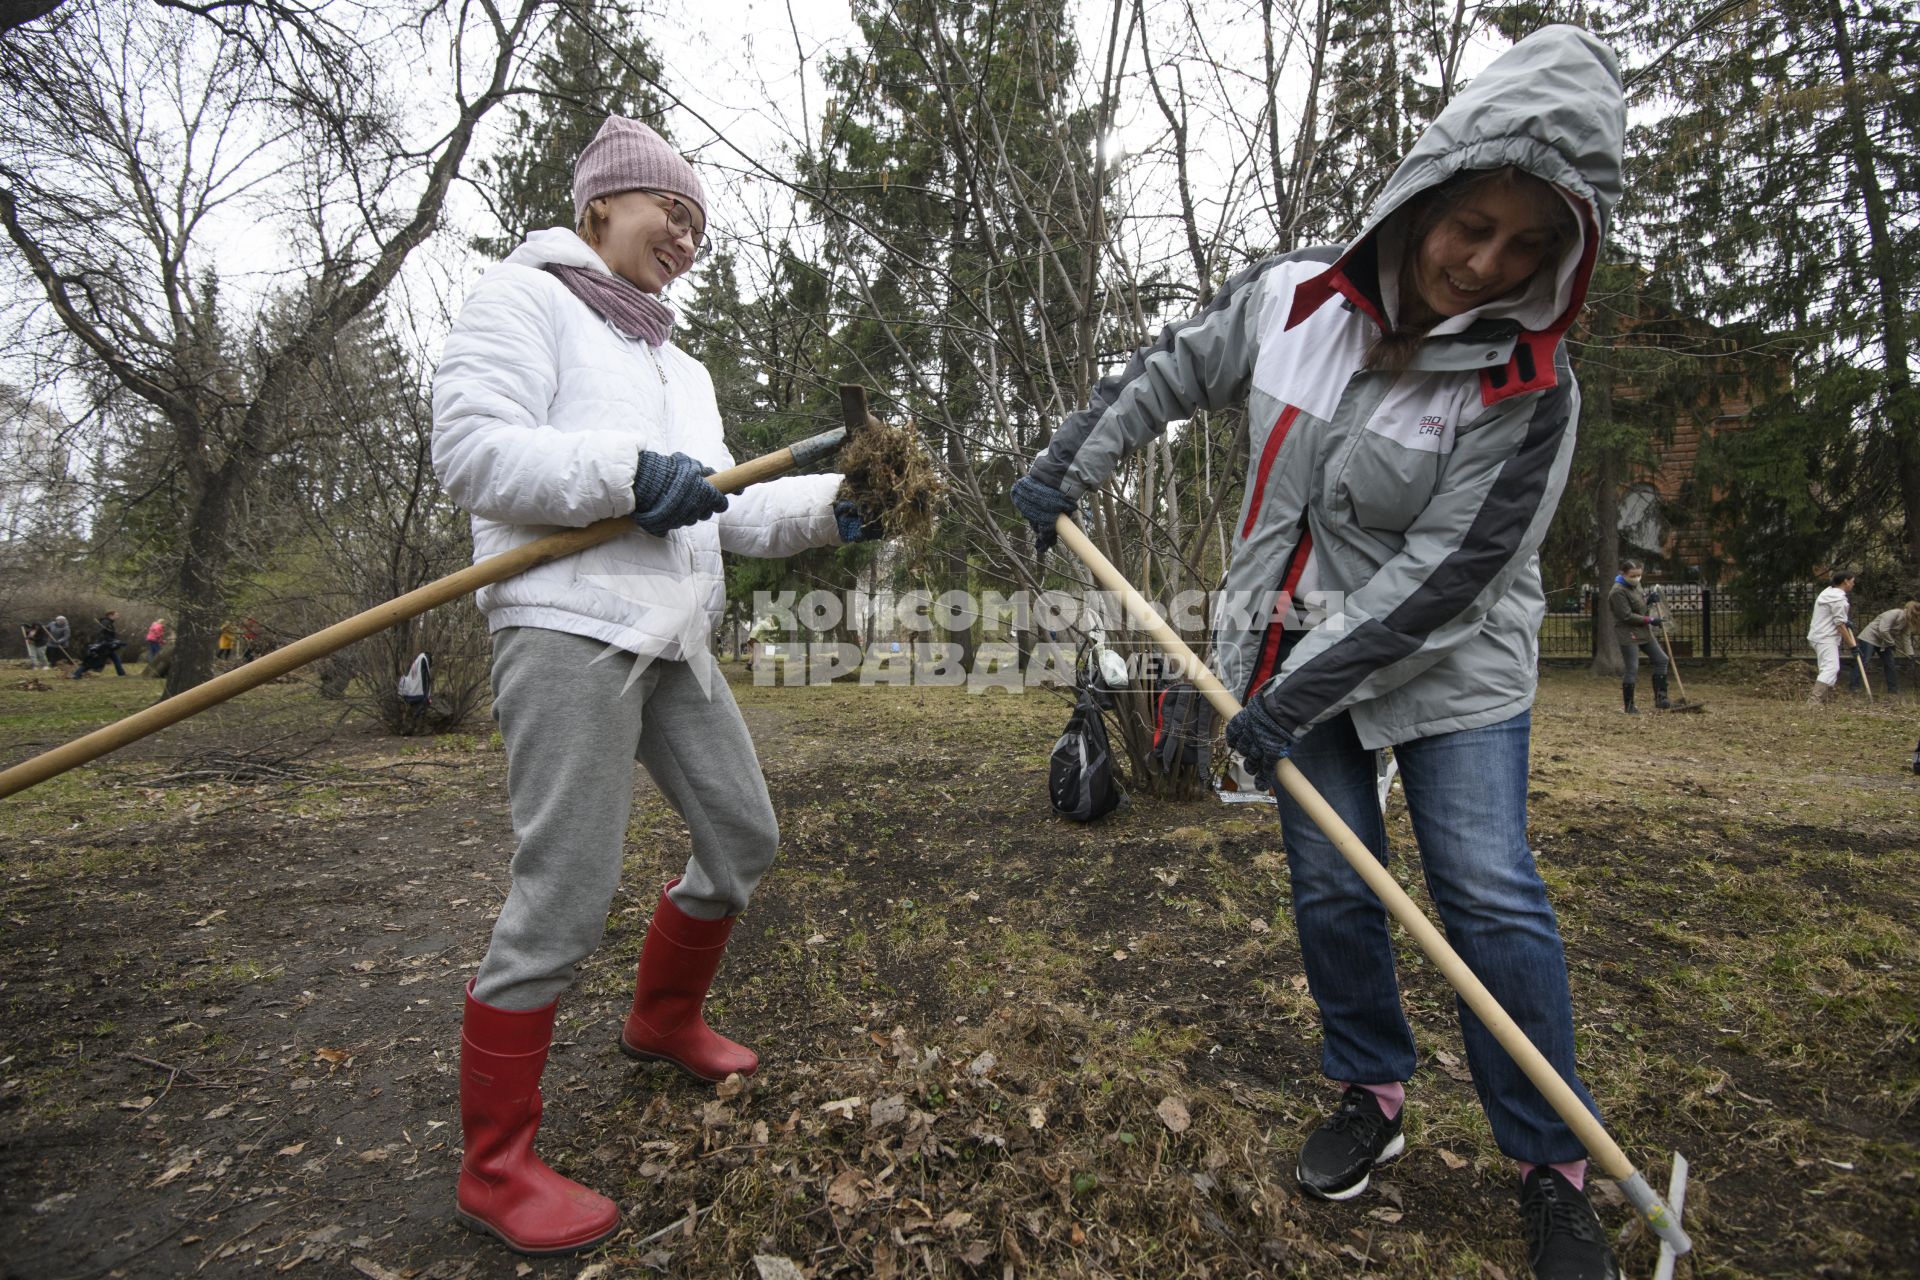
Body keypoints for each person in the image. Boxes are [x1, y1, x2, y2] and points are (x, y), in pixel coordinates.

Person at [1012, 27, 1624, 1279]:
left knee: (1484, 888)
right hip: (1289, 657)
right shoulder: (1295, 299)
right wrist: (1080, 453)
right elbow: (1175, 367)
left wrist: (1301, 689)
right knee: (1335, 882)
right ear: (1429, 192)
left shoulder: (1528, 385)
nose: (1487, 263)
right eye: (1475, 225)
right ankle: (1371, 1090)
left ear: (1561, 260)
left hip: (1449, 660)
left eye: (1528, 246)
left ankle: (1552, 1166)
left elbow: (1449, 575)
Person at [432, 115, 885, 1257]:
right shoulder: (524, 299)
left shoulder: (681, 365)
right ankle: (495, 1165)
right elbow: (475, 450)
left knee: (742, 834)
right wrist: (626, 475)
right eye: (664, 212)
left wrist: (838, 505)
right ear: (599, 210)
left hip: (675, 634)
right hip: (565, 626)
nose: (682, 236)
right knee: (566, 890)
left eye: (696, 224)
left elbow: (725, 504)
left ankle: (663, 1015)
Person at [1606, 559, 1668, 713]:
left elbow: (1639, 606)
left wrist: (1649, 601)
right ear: (1624, 573)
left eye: (1639, 575)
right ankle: (1629, 706)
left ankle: (1661, 698)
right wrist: (1650, 620)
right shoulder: (1617, 592)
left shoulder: (1636, 585)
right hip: (1628, 632)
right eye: (1633, 575)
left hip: (1643, 630)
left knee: (1662, 659)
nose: (1637, 578)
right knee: (1632, 667)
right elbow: (1626, 615)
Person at [1807, 570, 1855, 705]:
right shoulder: (1838, 599)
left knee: (1827, 668)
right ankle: (1814, 701)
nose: (1853, 584)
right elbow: (1839, 624)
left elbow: (1835, 617)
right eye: (1852, 581)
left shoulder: (1827, 593)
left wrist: (1845, 621)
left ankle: (1824, 700)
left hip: (1818, 635)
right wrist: (1852, 645)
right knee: (1831, 668)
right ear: (1846, 581)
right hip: (1825, 637)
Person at [1852, 599, 1916, 696]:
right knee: (1864, 661)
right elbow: (1883, 630)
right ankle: (1854, 687)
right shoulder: (1893, 614)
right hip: (1870, 638)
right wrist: (1891, 643)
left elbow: (1906, 637)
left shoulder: (1907, 622)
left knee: (1890, 664)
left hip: (1884, 642)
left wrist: (1910, 654)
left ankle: (1893, 690)